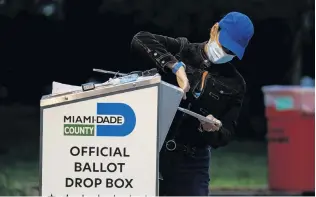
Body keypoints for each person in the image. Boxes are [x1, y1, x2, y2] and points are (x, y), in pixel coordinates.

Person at [130, 12, 254, 196]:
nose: (225, 54)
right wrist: (174, 66)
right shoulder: (183, 49)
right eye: (225, 47)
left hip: (192, 161)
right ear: (214, 30)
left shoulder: (235, 84)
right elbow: (140, 39)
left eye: (232, 53)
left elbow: (226, 134)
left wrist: (213, 129)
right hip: (151, 150)